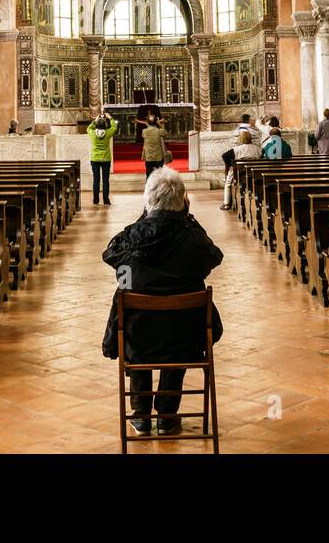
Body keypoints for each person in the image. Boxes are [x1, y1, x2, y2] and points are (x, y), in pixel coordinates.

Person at [101, 166, 223, 436]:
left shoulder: (132, 240)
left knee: (135, 321)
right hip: (185, 338)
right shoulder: (192, 239)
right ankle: (167, 415)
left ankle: (141, 414)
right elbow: (215, 256)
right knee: (174, 330)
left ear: (148, 201)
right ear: (182, 202)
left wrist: (145, 217)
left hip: (139, 337)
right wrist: (188, 218)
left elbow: (109, 253)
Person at [222, 130, 261, 210]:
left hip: (239, 175)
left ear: (241, 139)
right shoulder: (258, 149)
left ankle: (226, 203)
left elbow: (224, 156)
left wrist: (229, 166)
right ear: (250, 139)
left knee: (228, 183)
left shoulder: (236, 149)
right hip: (254, 173)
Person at [87, 113, 118, 206]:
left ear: (97, 125)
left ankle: (95, 200)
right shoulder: (108, 133)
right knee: (105, 180)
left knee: (96, 180)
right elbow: (114, 127)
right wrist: (110, 118)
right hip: (105, 159)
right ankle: (106, 200)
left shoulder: (92, 133)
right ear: (105, 126)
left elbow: (88, 128)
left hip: (95, 159)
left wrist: (95, 120)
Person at [140, 114, 166, 179]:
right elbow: (165, 132)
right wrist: (158, 124)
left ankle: (149, 188)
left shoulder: (144, 131)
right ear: (155, 122)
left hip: (149, 156)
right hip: (158, 156)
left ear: (148, 122)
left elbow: (144, 135)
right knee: (159, 175)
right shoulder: (159, 131)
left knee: (149, 174)